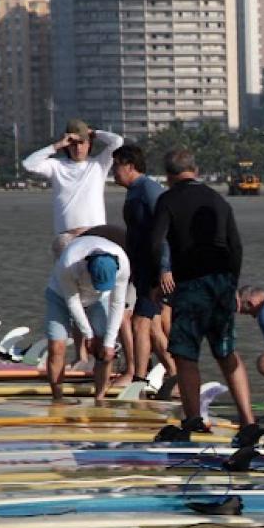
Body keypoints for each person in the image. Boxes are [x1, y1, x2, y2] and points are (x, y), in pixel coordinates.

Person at [147, 148, 262, 445]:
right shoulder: (218, 200)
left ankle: (193, 419)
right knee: (226, 352)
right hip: (222, 284)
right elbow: (235, 246)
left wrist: (155, 281)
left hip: (191, 286)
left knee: (185, 355)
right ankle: (249, 422)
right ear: (195, 170)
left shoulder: (168, 199)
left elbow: (155, 243)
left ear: (170, 176)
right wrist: (232, 286)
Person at [111, 144, 175, 397]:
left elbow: (166, 230)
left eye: (116, 166)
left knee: (140, 323)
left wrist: (166, 269)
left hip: (155, 271)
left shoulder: (148, 189)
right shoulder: (133, 191)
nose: (114, 172)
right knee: (154, 328)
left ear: (129, 165)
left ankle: (138, 381)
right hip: (143, 270)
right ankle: (174, 376)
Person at [22, 119, 124, 258]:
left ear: (89, 144)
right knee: (65, 279)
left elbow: (117, 142)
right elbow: (29, 164)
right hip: (66, 237)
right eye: (73, 144)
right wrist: (58, 145)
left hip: (96, 235)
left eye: (81, 143)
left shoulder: (99, 164)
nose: (77, 148)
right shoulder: (56, 166)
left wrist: (93, 133)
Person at [44, 234, 128, 402]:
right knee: (56, 347)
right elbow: (72, 301)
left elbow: (117, 303)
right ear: (88, 268)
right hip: (61, 295)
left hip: (98, 299)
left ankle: (100, 398)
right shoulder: (69, 262)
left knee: (105, 349)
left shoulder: (123, 262)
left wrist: (110, 343)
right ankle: (58, 398)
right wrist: (88, 335)